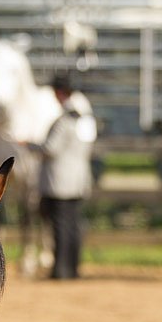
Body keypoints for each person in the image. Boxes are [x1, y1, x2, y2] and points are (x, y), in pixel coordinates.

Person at [31, 75, 96, 279]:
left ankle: (60, 269)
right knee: (73, 225)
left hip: (59, 181)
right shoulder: (85, 119)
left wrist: (31, 145)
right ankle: (72, 267)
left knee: (60, 225)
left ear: (59, 93)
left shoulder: (63, 121)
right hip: (78, 179)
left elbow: (50, 149)